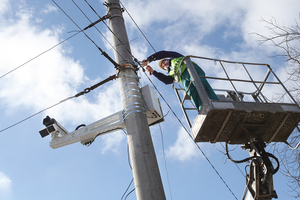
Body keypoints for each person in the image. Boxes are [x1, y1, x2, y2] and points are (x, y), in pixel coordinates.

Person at [142, 50, 218, 110]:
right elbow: (166, 80)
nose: (164, 64)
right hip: (184, 79)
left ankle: (215, 102)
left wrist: (149, 59)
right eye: (163, 66)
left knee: (201, 84)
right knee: (192, 93)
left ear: (167, 59)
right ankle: (202, 109)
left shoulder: (175, 57)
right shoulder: (172, 72)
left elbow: (163, 53)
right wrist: (153, 72)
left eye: (164, 62)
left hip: (190, 69)